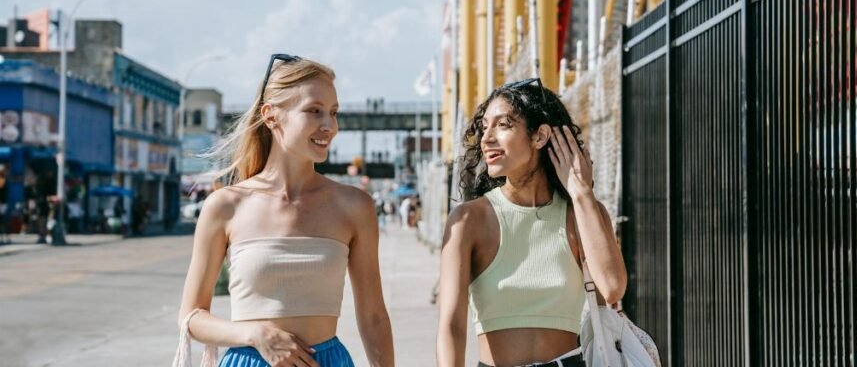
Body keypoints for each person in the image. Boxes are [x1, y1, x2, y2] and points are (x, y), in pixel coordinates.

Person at [177, 54, 394, 367]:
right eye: (314, 111)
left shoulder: (354, 206)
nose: (329, 126)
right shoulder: (225, 206)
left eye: (333, 113)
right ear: (271, 115)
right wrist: (255, 334)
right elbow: (192, 317)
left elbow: (373, 316)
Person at [436, 78, 627, 367]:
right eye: (484, 126)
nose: (487, 138)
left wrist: (581, 193)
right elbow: (451, 325)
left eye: (502, 125)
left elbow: (612, 288)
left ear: (539, 137)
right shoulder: (468, 220)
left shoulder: (581, 214)